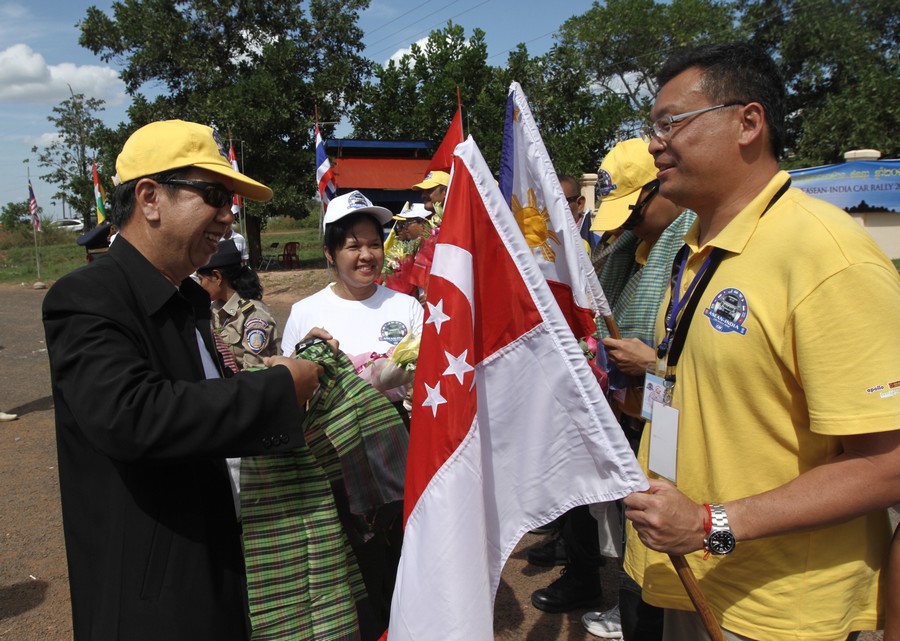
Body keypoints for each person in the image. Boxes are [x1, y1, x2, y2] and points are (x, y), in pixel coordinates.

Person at [622, 42, 900, 640]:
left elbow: (888, 464)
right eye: (652, 128)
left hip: (777, 610)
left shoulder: (826, 256)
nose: (653, 145)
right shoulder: (694, 249)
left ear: (748, 123)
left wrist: (711, 524)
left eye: (671, 123)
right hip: (694, 579)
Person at [42, 120, 331, 641]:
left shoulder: (186, 299)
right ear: (150, 198)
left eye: (231, 201)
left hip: (210, 568)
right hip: (151, 599)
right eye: (214, 196)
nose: (228, 215)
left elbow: (196, 403)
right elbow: (133, 416)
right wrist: (277, 391)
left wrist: (278, 370)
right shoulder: (87, 297)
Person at [281, 189, 424, 639]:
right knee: (353, 560)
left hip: (397, 443)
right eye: (353, 245)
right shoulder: (305, 313)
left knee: (400, 551)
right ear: (330, 252)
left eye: (374, 244)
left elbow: (425, 384)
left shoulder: (406, 307)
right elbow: (290, 393)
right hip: (334, 451)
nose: (367, 255)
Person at [196, 238, 280, 370]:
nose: (200, 286)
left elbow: (255, 371)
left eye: (201, 279)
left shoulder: (253, 316)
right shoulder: (216, 309)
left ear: (217, 277)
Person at [558, 173, 597, 253]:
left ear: (579, 204)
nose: (550, 210)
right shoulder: (537, 245)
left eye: (559, 202)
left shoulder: (597, 246)